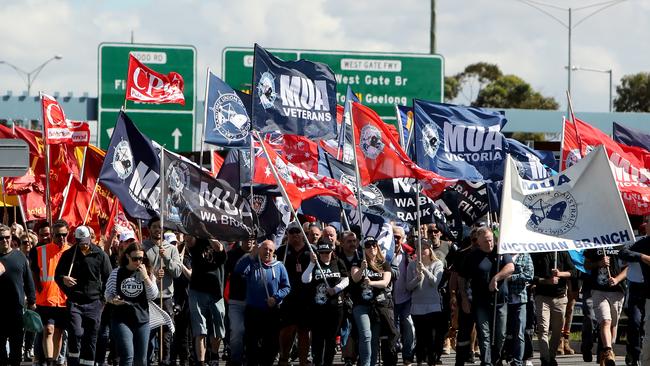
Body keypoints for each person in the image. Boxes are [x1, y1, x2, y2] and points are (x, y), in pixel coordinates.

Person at [54, 225, 112, 366]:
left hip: (94, 303)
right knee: (76, 332)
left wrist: (103, 300)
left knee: (91, 337)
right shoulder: (69, 254)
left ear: (90, 238)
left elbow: (109, 278)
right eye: (80, 241)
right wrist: (63, 279)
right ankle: (73, 361)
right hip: (75, 302)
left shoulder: (100, 254)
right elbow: (57, 276)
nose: (83, 244)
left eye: (85, 240)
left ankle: (88, 363)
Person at [458, 227, 514, 366]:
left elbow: (510, 267)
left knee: (500, 335)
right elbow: (461, 278)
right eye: (486, 241)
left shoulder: (500, 251)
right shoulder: (472, 256)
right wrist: (464, 298)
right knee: (485, 335)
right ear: (478, 242)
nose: (489, 244)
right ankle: (487, 362)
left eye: (490, 240)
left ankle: (496, 358)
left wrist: (496, 278)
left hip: (500, 301)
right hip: (480, 302)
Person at [234, 240, 291, 366]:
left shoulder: (279, 266)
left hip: (272, 311)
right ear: (259, 250)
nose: (267, 252)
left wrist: (276, 298)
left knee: (271, 344)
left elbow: (286, 287)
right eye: (265, 249)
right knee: (251, 344)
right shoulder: (252, 264)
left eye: (270, 250)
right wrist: (250, 256)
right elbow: (238, 270)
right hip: (253, 311)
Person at [105, 242, 159, 366]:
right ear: (128, 257)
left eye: (141, 258)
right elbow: (107, 294)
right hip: (121, 319)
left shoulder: (148, 273)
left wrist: (146, 277)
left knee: (141, 360)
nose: (138, 262)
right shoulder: (117, 273)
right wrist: (113, 300)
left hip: (142, 320)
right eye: (135, 258)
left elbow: (153, 296)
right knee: (128, 356)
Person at [350, 236, 397, 366]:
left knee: (375, 339)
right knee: (366, 336)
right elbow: (354, 278)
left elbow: (385, 282)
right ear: (364, 249)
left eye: (374, 245)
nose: (372, 248)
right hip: (361, 305)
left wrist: (371, 282)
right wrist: (361, 269)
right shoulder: (358, 261)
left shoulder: (384, 263)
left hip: (378, 306)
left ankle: (372, 363)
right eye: (368, 246)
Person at [301, 238, 349, 366]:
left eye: (327, 252)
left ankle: (328, 362)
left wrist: (336, 289)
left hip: (335, 308)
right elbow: (305, 280)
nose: (324, 255)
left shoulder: (338, 262)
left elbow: (346, 280)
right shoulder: (314, 264)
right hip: (318, 309)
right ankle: (318, 362)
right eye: (322, 253)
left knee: (331, 338)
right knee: (318, 338)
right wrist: (311, 264)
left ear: (332, 251)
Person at [30, 219, 72, 366]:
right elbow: (33, 270)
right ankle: (48, 361)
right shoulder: (40, 250)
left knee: (59, 334)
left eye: (64, 235)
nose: (61, 238)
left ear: (68, 233)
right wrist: (37, 287)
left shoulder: (72, 251)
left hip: (64, 299)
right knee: (48, 330)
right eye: (58, 235)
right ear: (52, 235)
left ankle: (54, 361)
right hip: (45, 298)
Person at [142, 218, 183, 365]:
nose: (157, 230)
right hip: (149, 298)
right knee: (147, 334)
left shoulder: (171, 249)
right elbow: (138, 270)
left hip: (165, 298)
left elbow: (177, 272)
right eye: (154, 227)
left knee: (166, 335)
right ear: (149, 229)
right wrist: (153, 273)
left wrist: (165, 257)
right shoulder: (143, 247)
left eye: (160, 227)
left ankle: (164, 362)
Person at [276, 221, 314, 366]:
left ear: (303, 234)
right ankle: (284, 357)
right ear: (287, 235)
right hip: (288, 297)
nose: (295, 235)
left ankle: (304, 360)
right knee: (287, 330)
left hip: (306, 297)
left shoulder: (311, 250)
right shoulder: (281, 251)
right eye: (291, 232)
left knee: (304, 331)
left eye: (297, 231)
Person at [584, 245, 628, 366]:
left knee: (613, 325)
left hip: (617, 291)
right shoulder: (595, 244)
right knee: (605, 321)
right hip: (598, 290)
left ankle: (607, 352)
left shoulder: (622, 245)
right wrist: (598, 263)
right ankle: (608, 351)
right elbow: (586, 265)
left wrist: (617, 279)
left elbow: (629, 267)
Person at [531, 250, 576, 366]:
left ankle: (551, 356)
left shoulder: (563, 253)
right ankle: (545, 358)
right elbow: (532, 276)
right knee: (543, 328)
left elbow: (573, 272)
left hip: (560, 297)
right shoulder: (537, 254)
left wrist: (560, 274)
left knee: (557, 331)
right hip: (542, 296)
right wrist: (546, 281)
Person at [0, 224, 36, 366]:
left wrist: (32, 301)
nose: (4, 240)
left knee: (16, 347)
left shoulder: (19, 256)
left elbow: (28, 281)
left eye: (7, 237)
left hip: (16, 309)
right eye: (1, 238)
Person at [188, 238, 228, 366]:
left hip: (216, 291)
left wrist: (210, 234)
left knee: (217, 329)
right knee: (200, 329)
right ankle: (201, 361)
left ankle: (214, 355)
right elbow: (189, 241)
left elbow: (219, 249)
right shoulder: (197, 240)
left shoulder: (220, 240)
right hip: (197, 290)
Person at [406, 239, 444, 365]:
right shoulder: (412, 264)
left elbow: (435, 282)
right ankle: (420, 359)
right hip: (417, 305)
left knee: (432, 337)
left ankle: (432, 360)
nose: (421, 251)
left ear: (430, 249)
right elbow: (408, 287)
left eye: (424, 248)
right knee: (421, 336)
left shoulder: (437, 264)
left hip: (433, 305)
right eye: (418, 248)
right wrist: (417, 278)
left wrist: (425, 271)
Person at [225, 234, 256, 366]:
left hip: (255, 302)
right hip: (235, 300)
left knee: (252, 334)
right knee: (237, 331)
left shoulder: (261, 254)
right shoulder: (231, 255)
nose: (248, 241)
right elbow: (224, 276)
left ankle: (250, 359)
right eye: (246, 237)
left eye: (251, 238)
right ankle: (235, 360)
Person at [391, 225, 415, 365]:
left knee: (409, 326)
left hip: (406, 297)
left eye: (398, 237)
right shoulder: (384, 251)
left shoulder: (409, 252)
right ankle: (392, 356)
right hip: (390, 298)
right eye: (393, 236)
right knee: (392, 329)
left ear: (403, 238)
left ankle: (408, 356)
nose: (395, 240)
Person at [503, 253, 534, 366]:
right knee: (502, 332)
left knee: (519, 332)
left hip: (520, 299)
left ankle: (518, 361)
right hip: (504, 299)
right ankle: (502, 357)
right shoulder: (502, 255)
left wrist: (511, 277)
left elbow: (529, 275)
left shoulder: (525, 256)